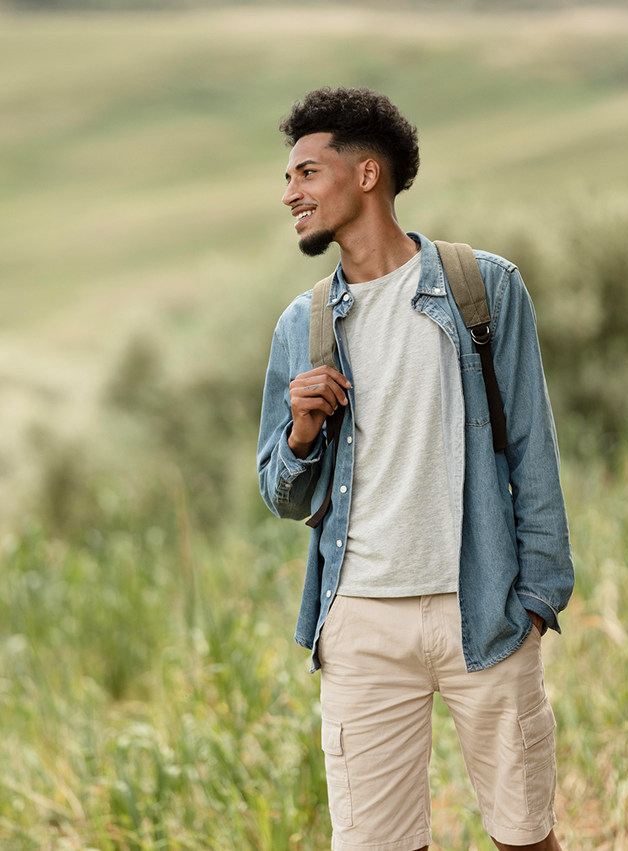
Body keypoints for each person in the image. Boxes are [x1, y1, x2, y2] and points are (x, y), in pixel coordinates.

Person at [257, 86, 574, 851]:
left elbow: (532, 448)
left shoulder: (483, 288)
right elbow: (279, 490)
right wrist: (301, 434)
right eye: (287, 179)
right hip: (361, 621)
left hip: (486, 607)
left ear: (367, 175)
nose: (290, 192)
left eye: (306, 172)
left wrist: (534, 596)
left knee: (526, 837)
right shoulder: (304, 325)